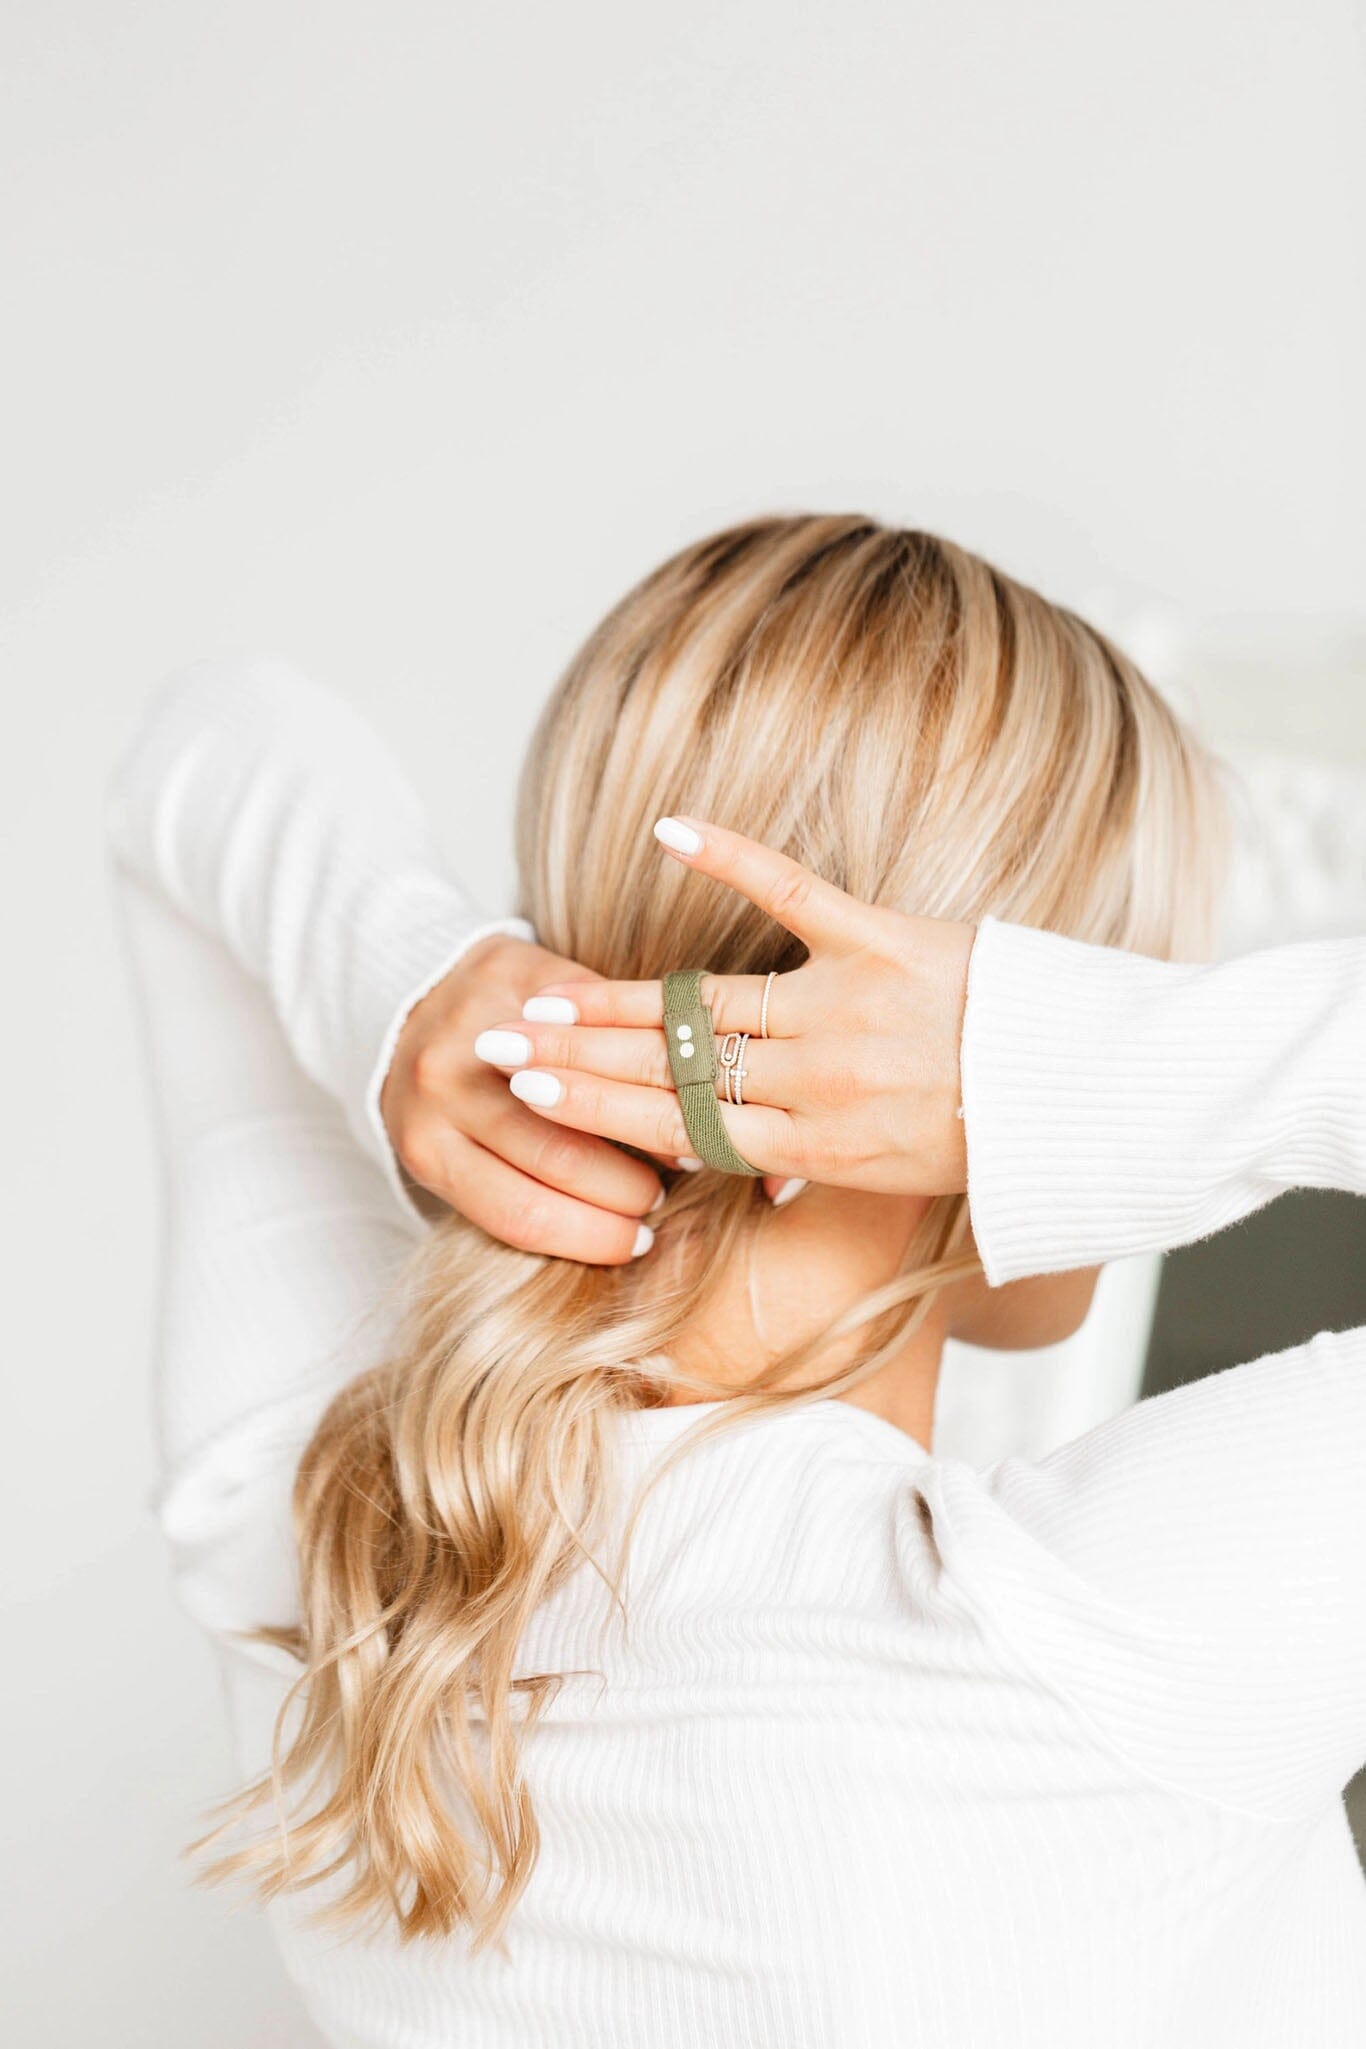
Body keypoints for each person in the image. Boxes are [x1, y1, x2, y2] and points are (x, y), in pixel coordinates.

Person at [109, 516, 1366, 2047]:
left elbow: (212, 742)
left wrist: (419, 986)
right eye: (1120, 987)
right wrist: (1045, 1067)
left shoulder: (323, 1540)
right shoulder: (1113, 1627)